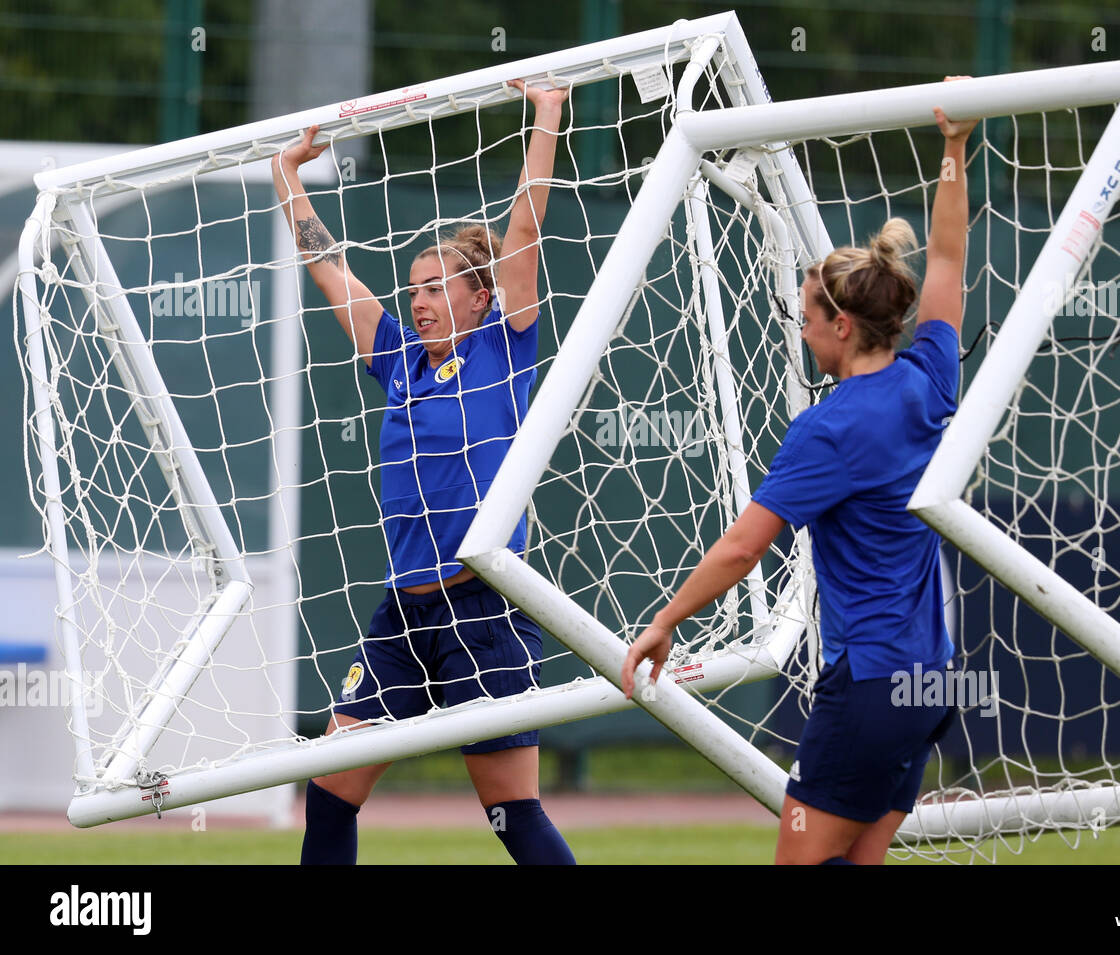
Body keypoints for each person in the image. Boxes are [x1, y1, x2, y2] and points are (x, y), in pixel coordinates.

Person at [621, 78, 977, 865]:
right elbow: (949, 257)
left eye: (806, 318)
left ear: (842, 326)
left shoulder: (831, 427)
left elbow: (744, 547)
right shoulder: (929, 376)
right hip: (932, 684)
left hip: (873, 683)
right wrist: (955, 147)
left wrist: (665, 620)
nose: (802, 329)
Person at [273, 79, 575, 865]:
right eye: (414, 289)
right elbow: (331, 268)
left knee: (512, 816)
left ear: (482, 297)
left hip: (484, 610)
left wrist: (546, 113)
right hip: (401, 619)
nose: (421, 302)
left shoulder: (503, 351)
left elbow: (526, 227)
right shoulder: (400, 360)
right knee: (328, 791)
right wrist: (287, 174)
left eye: (436, 288)